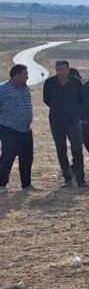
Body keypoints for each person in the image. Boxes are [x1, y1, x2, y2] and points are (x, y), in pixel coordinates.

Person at [42, 59, 87, 188]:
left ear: (68, 70)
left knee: (77, 150)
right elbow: (47, 100)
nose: (61, 73)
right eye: (58, 70)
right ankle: (67, 178)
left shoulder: (76, 83)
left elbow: (82, 100)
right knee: (61, 150)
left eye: (63, 70)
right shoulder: (50, 83)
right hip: (56, 121)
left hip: (73, 120)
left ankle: (80, 179)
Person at [0, 64, 34, 193]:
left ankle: (26, 185)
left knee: (27, 158)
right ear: (17, 75)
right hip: (9, 129)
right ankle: (1, 184)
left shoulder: (25, 89)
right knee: (8, 157)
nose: (28, 77)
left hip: (25, 129)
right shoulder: (3, 89)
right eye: (25, 74)